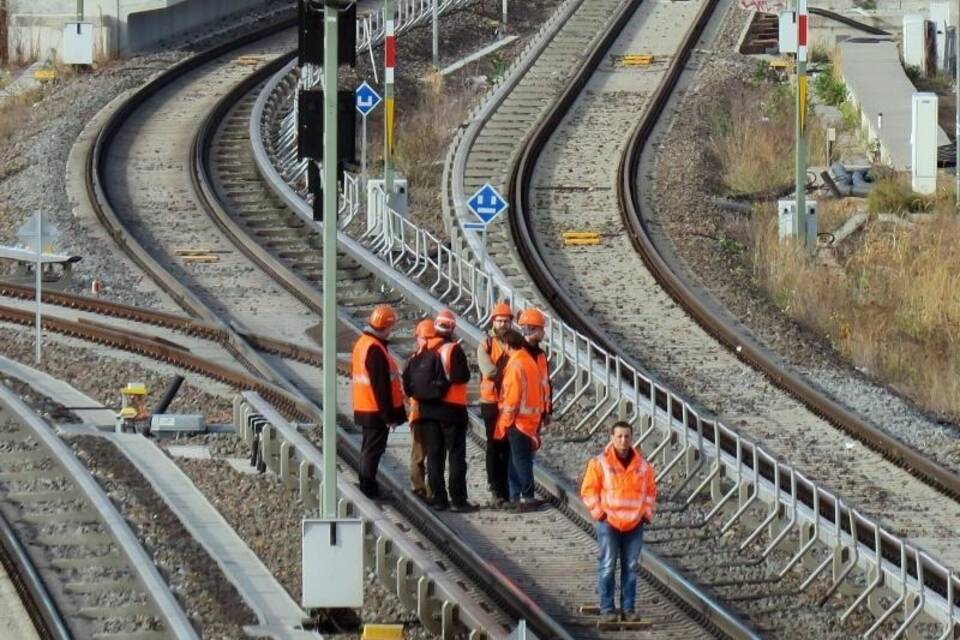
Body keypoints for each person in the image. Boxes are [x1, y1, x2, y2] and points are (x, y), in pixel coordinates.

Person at [580, 421, 657, 623]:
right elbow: (588, 491)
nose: (623, 440)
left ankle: (628, 609)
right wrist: (600, 515)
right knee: (607, 565)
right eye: (620, 436)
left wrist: (645, 515)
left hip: (634, 524)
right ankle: (607, 609)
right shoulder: (600, 463)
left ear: (632, 438)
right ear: (612, 438)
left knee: (630, 567)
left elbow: (650, 492)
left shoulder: (642, 466)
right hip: (609, 523)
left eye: (627, 436)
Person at [416, 309, 474, 512]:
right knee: (456, 455)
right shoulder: (452, 349)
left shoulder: (424, 348)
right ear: (452, 328)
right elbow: (462, 376)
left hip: (427, 410)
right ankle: (458, 500)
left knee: (434, 455)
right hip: (452, 410)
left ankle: (439, 498)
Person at [352, 304, 406, 499]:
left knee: (369, 449)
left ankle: (367, 483)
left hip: (365, 405)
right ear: (385, 326)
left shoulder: (364, 343)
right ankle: (368, 487)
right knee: (373, 450)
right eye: (391, 327)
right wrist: (388, 416)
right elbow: (381, 387)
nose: (392, 332)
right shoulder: (375, 349)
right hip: (374, 410)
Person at [493, 329, 544, 512]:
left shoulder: (515, 365)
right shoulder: (528, 361)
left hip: (519, 421)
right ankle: (518, 496)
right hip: (530, 419)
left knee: (520, 460)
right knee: (518, 459)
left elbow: (512, 398)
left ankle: (526, 497)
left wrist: (505, 421)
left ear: (507, 345)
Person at [478, 301, 513, 506]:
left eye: (506, 321)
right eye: (500, 321)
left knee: (507, 446)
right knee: (494, 445)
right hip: (491, 401)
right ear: (493, 322)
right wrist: (512, 374)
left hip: (509, 402)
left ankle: (505, 488)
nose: (503, 324)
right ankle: (495, 487)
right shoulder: (487, 345)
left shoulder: (515, 343)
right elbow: (488, 371)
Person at [406, 319, 435, 501]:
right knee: (418, 454)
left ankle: (430, 490)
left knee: (432, 454)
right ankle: (419, 488)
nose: (425, 341)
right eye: (423, 338)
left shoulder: (429, 360)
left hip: (430, 414)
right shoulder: (414, 360)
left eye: (427, 338)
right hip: (418, 415)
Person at [518, 308, 552, 424]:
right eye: (541, 328)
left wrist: (548, 410)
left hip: (536, 416)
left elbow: (546, 385)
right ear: (532, 329)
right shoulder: (518, 353)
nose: (544, 332)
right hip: (519, 418)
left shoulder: (541, 355)